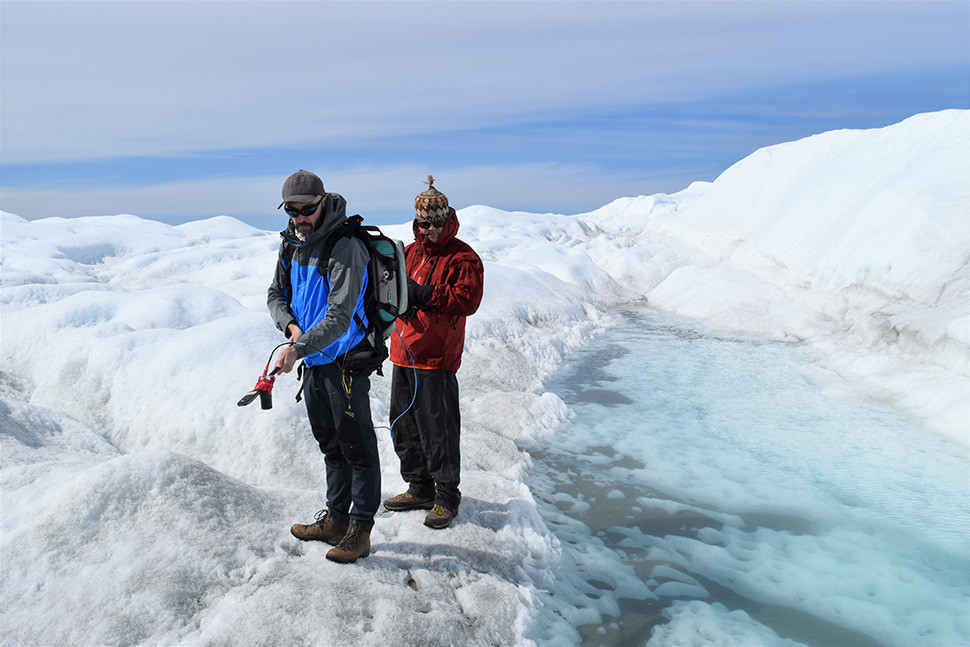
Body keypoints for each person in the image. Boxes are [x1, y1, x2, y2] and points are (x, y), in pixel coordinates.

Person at [267, 169, 380, 563]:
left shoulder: (345, 245)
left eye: (307, 209)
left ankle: (360, 530)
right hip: (313, 359)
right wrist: (290, 327)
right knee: (331, 445)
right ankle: (335, 518)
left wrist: (298, 348)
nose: (299, 217)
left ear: (324, 202)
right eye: (291, 210)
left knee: (357, 448)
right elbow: (275, 294)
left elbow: (340, 316)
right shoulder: (291, 244)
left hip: (344, 362)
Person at [384, 176, 484, 529]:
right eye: (423, 224)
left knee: (437, 430)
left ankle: (446, 496)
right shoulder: (407, 253)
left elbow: (467, 299)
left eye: (434, 224)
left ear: (447, 220)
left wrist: (425, 295)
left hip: (437, 357)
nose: (428, 230)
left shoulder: (463, 257)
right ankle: (419, 487)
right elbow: (392, 290)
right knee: (404, 426)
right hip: (403, 351)